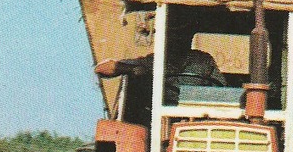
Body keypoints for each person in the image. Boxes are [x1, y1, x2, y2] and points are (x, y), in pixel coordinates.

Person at [94, 26, 228, 103]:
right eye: (174, 36)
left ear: (190, 38)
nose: (178, 40)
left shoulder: (203, 60)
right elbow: (101, 68)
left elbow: (222, 90)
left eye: (183, 36)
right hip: (160, 114)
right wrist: (132, 69)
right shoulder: (152, 61)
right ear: (166, 38)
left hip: (197, 114)